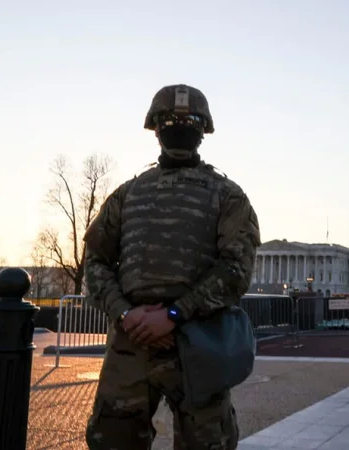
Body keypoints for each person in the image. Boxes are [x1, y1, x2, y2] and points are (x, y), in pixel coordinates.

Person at [82, 84, 261, 449]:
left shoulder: (228, 195)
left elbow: (236, 270)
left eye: (189, 119)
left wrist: (176, 314)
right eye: (170, 118)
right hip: (132, 340)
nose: (179, 125)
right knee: (112, 439)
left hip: (199, 341)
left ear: (203, 129)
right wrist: (125, 314)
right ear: (156, 127)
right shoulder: (126, 194)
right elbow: (96, 260)